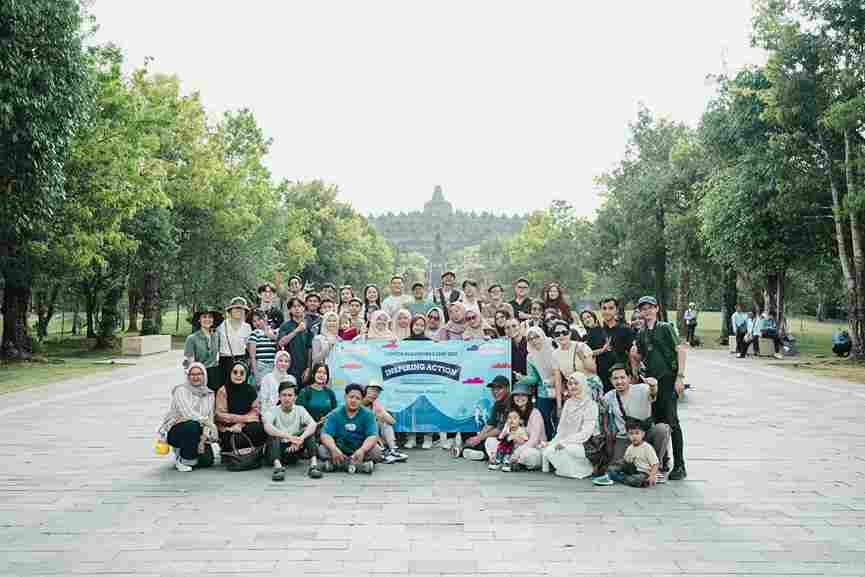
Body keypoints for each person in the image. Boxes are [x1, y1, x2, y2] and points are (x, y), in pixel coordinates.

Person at [632, 295, 687, 481]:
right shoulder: (641, 333)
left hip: (668, 380)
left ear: (657, 309)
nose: (646, 311)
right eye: (643, 308)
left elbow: (680, 350)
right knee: (656, 423)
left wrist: (680, 377)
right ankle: (662, 460)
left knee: (672, 422)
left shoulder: (665, 328)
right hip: (651, 383)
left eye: (650, 307)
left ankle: (680, 465)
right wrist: (634, 360)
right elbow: (639, 356)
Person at [602, 364, 670, 482]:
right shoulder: (608, 397)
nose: (619, 381)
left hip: (646, 434)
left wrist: (653, 386)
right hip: (625, 437)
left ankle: (655, 469)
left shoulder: (642, 389)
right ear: (611, 380)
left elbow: (653, 394)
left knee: (662, 429)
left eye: (622, 377)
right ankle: (638, 470)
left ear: (629, 378)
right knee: (615, 468)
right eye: (615, 378)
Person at [159, 362, 219, 472]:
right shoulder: (180, 390)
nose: (196, 377)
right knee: (191, 424)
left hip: (198, 431)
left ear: (204, 375)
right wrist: (208, 423)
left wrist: (203, 440)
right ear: (188, 376)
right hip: (177, 430)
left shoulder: (209, 394)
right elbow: (188, 414)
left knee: (207, 461)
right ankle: (182, 459)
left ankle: (190, 452)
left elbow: (210, 417)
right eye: (192, 374)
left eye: (199, 374)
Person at [541, 373, 598, 479]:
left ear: (583, 384)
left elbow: (586, 433)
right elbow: (561, 430)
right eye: (570, 384)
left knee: (566, 449)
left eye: (576, 383)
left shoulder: (591, 405)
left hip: (584, 444)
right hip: (566, 442)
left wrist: (564, 442)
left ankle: (584, 469)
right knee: (548, 450)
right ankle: (568, 470)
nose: (573, 386)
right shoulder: (568, 403)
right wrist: (552, 442)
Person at [262, 382, 322, 481]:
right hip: (276, 451)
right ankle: (278, 468)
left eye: (290, 395)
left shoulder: (300, 409)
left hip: (294, 449)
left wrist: (300, 439)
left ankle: (314, 466)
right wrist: (289, 437)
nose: (287, 398)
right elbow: (267, 426)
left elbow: (313, 424)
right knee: (273, 434)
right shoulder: (273, 410)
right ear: (279, 397)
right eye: (284, 395)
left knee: (308, 432)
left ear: (295, 397)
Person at [319, 383, 382, 474]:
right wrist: (334, 449)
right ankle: (360, 466)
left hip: (359, 449)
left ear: (362, 400)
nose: (353, 400)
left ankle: (337, 465)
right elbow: (325, 435)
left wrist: (362, 450)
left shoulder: (369, 415)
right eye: (351, 397)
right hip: (340, 449)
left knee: (376, 451)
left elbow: (372, 436)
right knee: (322, 450)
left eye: (357, 398)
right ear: (345, 397)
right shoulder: (335, 414)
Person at [516, 326, 559, 440]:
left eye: (536, 337)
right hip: (544, 391)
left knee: (560, 418)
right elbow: (534, 379)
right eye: (530, 339)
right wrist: (522, 378)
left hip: (561, 388)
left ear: (542, 336)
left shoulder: (554, 349)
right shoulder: (530, 357)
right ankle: (548, 442)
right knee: (544, 420)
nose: (534, 341)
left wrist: (554, 379)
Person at [214, 361, 267, 453]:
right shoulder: (223, 390)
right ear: (230, 373)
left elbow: (255, 412)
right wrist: (242, 420)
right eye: (235, 372)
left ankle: (249, 452)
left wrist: (241, 424)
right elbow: (220, 415)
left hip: (245, 426)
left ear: (246, 375)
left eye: (242, 373)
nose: (238, 375)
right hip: (228, 428)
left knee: (259, 429)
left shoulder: (250, 389)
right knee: (231, 438)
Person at [458, 375, 510, 461]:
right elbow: (490, 424)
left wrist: (479, 438)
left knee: (488, 440)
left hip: (511, 437)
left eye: (499, 388)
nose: (495, 391)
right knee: (474, 439)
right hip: (499, 436)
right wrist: (477, 438)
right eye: (493, 389)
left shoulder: (510, 403)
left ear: (507, 388)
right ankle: (477, 452)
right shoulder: (497, 403)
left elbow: (500, 429)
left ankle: (483, 454)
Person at [550, 320, 601, 406]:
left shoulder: (582, 346)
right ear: (554, 337)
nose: (561, 336)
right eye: (557, 334)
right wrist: (559, 405)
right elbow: (558, 381)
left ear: (570, 333)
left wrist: (581, 356)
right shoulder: (555, 354)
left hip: (590, 389)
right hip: (574, 391)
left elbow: (593, 369)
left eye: (564, 332)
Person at [596, 419, 659, 488]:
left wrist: (652, 476)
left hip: (644, 473)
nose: (634, 436)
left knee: (637, 479)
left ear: (643, 434)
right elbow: (625, 462)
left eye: (637, 433)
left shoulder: (647, 447)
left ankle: (621, 478)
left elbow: (655, 464)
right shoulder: (630, 448)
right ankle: (614, 475)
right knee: (615, 466)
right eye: (631, 434)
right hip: (633, 469)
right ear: (628, 435)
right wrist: (618, 466)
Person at [590, 298, 635, 394]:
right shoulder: (594, 331)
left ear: (616, 310)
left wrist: (633, 375)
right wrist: (602, 350)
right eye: (604, 308)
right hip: (602, 377)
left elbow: (632, 354)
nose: (607, 311)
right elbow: (588, 354)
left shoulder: (626, 330)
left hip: (621, 378)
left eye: (611, 308)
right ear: (600, 310)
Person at [500, 382, 546, 470]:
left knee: (528, 455)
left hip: (533, 448)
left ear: (529, 397)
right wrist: (508, 437)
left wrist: (517, 452)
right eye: (517, 395)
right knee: (490, 441)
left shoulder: (535, 413)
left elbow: (534, 440)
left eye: (523, 395)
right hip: (514, 448)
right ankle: (505, 460)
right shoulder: (512, 413)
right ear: (513, 397)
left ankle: (513, 461)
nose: (520, 398)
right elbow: (504, 434)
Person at [361, 383, 408, 463]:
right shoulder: (357, 402)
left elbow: (392, 422)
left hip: (374, 434)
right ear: (365, 391)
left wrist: (381, 414)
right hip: (361, 434)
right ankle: (382, 453)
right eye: (372, 390)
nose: (375, 394)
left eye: (377, 392)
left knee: (385, 422)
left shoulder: (376, 405)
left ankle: (393, 450)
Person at [183, 306, 223, 391]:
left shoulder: (217, 335)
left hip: (215, 374)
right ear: (199, 320)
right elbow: (189, 363)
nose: (207, 319)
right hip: (199, 374)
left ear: (213, 320)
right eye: (204, 317)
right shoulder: (191, 338)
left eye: (210, 317)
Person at [217, 297, 252, 387]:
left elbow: (249, 347)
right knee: (225, 387)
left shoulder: (247, 327)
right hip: (225, 361)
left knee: (240, 387)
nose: (238, 311)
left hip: (241, 360)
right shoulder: (221, 325)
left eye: (241, 309)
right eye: (236, 308)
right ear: (230, 311)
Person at [277, 297, 312, 388]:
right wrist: (297, 330)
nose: (297, 309)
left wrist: (308, 368)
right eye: (294, 306)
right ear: (290, 310)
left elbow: (310, 348)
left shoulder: (308, 325)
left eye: (299, 306)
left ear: (303, 308)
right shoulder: (285, 326)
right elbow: (281, 343)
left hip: (305, 368)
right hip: (289, 368)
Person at [247, 309, 278, 389]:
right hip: (260, 366)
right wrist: (256, 374)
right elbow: (252, 356)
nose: (257, 323)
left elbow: (280, 344)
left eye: (259, 319)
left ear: (265, 318)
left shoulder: (274, 332)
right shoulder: (254, 334)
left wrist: (270, 335)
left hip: (273, 367)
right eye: (254, 321)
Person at [505, 317, 528, 382]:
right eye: (508, 328)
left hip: (530, 380)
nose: (511, 329)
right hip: (513, 381)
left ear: (520, 327)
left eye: (514, 326)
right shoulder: (505, 345)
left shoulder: (529, 342)